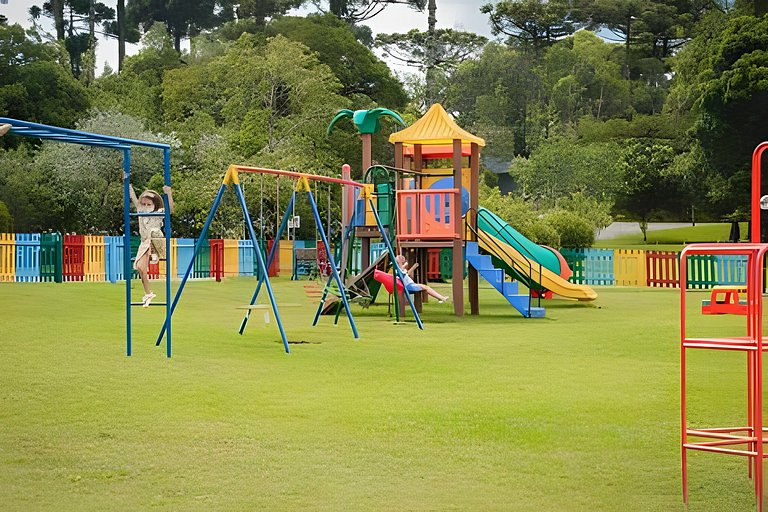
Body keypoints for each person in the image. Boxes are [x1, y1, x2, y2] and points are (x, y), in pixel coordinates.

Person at [130, 184, 174, 307]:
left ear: (154, 205)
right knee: (140, 267)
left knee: (152, 231)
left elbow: (170, 211)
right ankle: (148, 293)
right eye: (144, 204)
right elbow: (133, 198)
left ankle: (154, 254)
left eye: (149, 205)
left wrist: (168, 193)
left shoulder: (158, 212)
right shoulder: (140, 212)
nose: (146, 207)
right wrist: (128, 184)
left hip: (157, 240)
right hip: (144, 243)